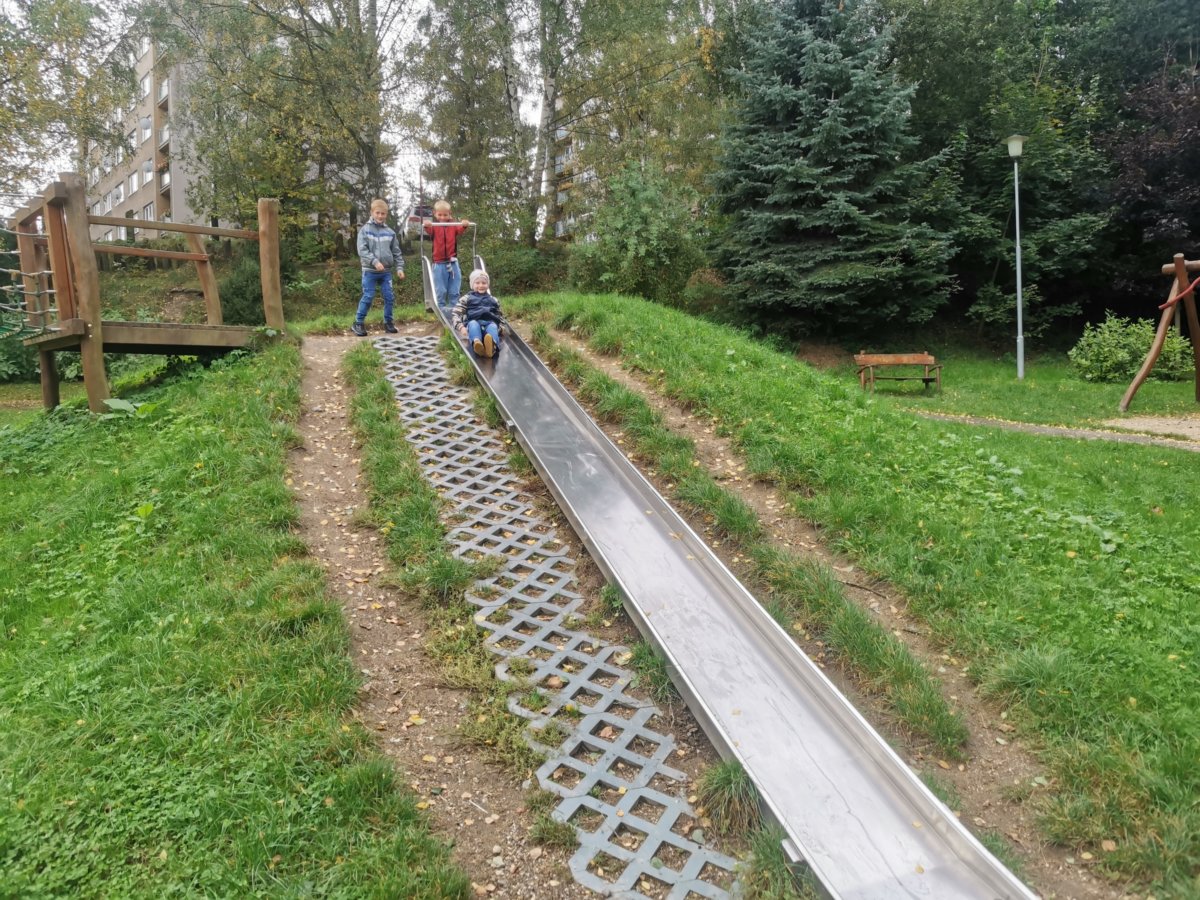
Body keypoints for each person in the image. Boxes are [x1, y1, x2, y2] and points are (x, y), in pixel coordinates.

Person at [352, 198, 405, 336]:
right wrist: (375, 262)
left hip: (386, 272)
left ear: (386, 214)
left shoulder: (390, 232)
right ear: (372, 212)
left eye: (383, 213)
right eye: (378, 213)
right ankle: (358, 323)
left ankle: (388, 323)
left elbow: (396, 252)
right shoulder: (365, 230)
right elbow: (362, 250)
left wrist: (399, 268)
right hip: (370, 271)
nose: (380, 216)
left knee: (389, 297)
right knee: (368, 296)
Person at [424, 199, 472, 310]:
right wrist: (427, 225)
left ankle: (453, 308)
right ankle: (441, 308)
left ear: (450, 214)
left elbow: (460, 229)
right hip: (439, 263)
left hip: (452, 261)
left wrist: (464, 224)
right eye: (440, 215)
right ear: (435, 214)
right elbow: (429, 230)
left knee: (454, 288)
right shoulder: (434, 226)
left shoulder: (453, 225)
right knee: (440, 289)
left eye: (445, 215)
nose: (442, 217)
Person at [452, 269, 503, 358]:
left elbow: (499, 316)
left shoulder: (493, 300)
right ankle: (477, 343)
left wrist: (501, 327)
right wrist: (461, 327)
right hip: (474, 322)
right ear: (472, 284)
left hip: (489, 323)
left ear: (488, 285)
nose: (481, 285)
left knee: (493, 326)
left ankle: (492, 346)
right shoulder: (466, 298)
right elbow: (456, 313)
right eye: (477, 283)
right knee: (473, 324)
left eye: (484, 283)